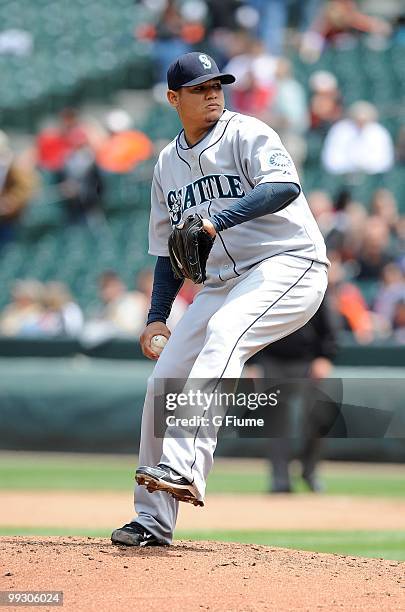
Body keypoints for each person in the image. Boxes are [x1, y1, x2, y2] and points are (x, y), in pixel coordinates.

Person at [111, 51, 329, 547]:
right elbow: (168, 251)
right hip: (222, 281)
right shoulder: (167, 164)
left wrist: (218, 220)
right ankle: (152, 520)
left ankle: (185, 467)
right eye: (198, 88)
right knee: (163, 381)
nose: (212, 93)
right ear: (173, 99)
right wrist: (155, 317)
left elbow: (283, 187)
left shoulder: (248, 133)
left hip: (288, 263)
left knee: (226, 334)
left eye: (217, 84)